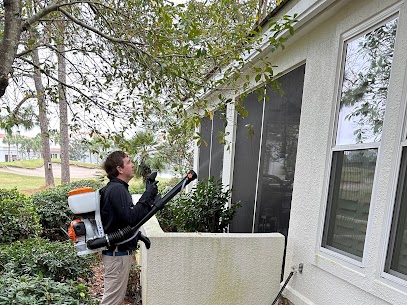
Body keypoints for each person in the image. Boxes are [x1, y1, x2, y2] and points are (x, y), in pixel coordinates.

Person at [99, 150, 158, 305]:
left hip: (117, 255)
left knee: (114, 300)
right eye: (128, 162)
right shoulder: (117, 189)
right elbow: (131, 218)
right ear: (119, 169)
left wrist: (137, 236)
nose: (133, 165)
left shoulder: (116, 188)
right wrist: (147, 195)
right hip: (117, 257)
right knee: (111, 301)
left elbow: (120, 223)